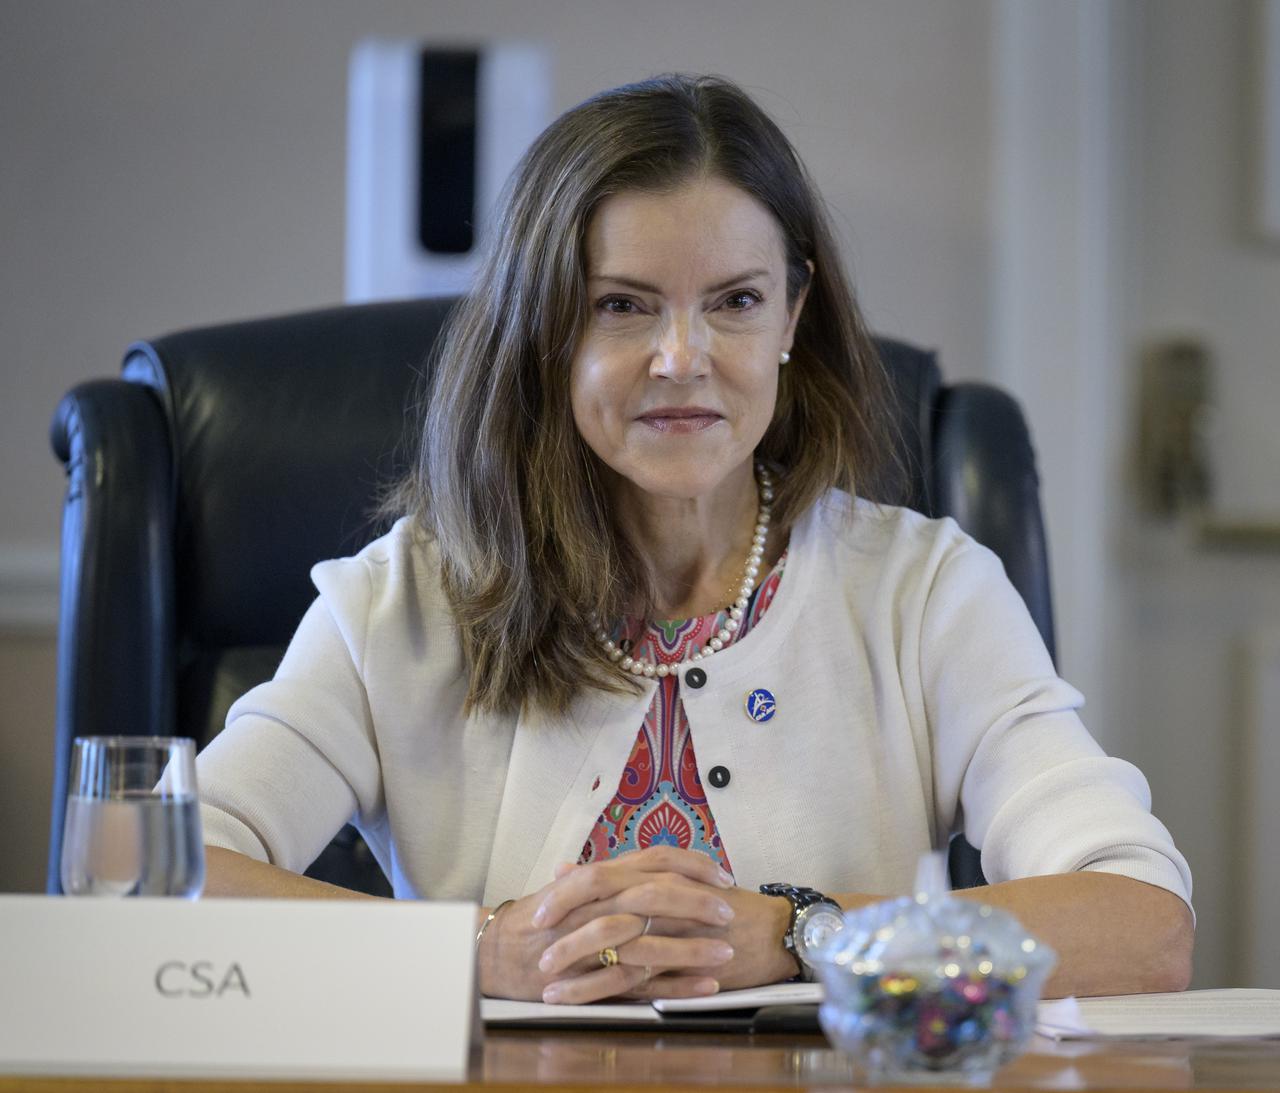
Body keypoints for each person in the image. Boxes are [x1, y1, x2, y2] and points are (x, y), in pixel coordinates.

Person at [197, 74, 1193, 1004]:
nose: (682, 358)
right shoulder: (405, 598)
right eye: (621, 306)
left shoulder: (923, 592)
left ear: (791, 316)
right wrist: (477, 953)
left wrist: (811, 936)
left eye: (735, 301)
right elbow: (162, 876)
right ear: (544, 331)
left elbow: (1140, 924)